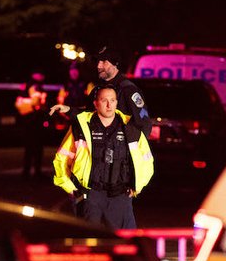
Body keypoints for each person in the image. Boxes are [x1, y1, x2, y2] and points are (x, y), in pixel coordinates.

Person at [52, 83, 154, 229]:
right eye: (104, 100)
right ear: (95, 103)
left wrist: (137, 187)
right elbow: (62, 158)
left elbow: (147, 161)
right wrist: (70, 187)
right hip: (90, 196)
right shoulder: (81, 127)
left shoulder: (131, 128)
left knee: (125, 245)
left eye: (112, 100)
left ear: (117, 102)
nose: (109, 105)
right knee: (89, 244)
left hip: (121, 196)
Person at [49, 46, 152, 137]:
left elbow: (144, 122)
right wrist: (68, 109)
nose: (99, 66)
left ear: (115, 64)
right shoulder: (97, 90)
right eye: (98, 61)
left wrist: (135, 153)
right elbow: (88, 115)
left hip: (122, 155)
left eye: (104, 62)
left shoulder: (128, 90)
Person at [15, 70, 48, 179]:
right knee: (37, 147)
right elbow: (36, 102)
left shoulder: (24, 86)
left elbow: (18, 103)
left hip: (27, 119)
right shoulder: (36, 87)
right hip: (35, 119)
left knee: (29, 147)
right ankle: (36, 172)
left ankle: (27, 171)